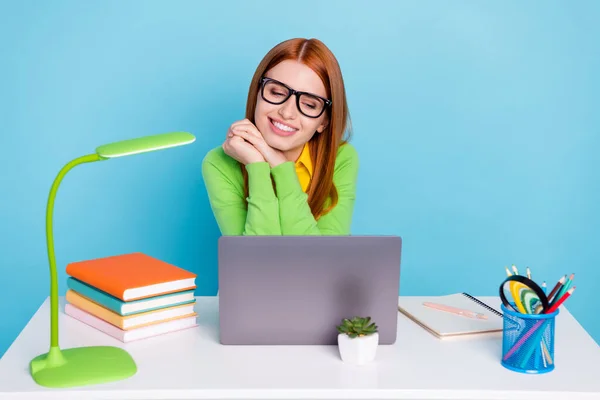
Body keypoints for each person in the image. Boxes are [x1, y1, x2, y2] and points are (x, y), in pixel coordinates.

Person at [202, 37, 359, 236]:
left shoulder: (341, 159)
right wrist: (257, 166)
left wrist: (280, 167)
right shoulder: (219, 163)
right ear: (257, 92)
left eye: (309, 104)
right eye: (276, 92)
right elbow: (254, 260)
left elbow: (324, 260)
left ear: (324, 122)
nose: (287, 112)